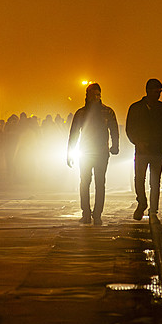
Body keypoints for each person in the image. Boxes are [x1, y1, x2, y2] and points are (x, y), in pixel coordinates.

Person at [67, 83, 120, 225]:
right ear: (88, 96)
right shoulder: (81, 113)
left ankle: (97, 214)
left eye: (98, 95)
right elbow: (73, 134)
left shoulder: (107, 112)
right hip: (86, 152)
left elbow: (114, 130)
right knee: (85, 182)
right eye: (93, 95)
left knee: (99, 183)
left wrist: (115, 146)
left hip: (101, 152)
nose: (96, 97)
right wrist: (69, 153)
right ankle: (86, 213)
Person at [126, 78, 162, 222]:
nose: (158, 95)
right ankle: (142, 202)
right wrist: (137, 142)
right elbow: (130, 129)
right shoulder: (136, 108)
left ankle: (153, 209)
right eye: (155, 92)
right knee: (140, 179)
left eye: (159, 92)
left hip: (156, 150)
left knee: (154, 181)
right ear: (148, 91)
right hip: (143, 150)